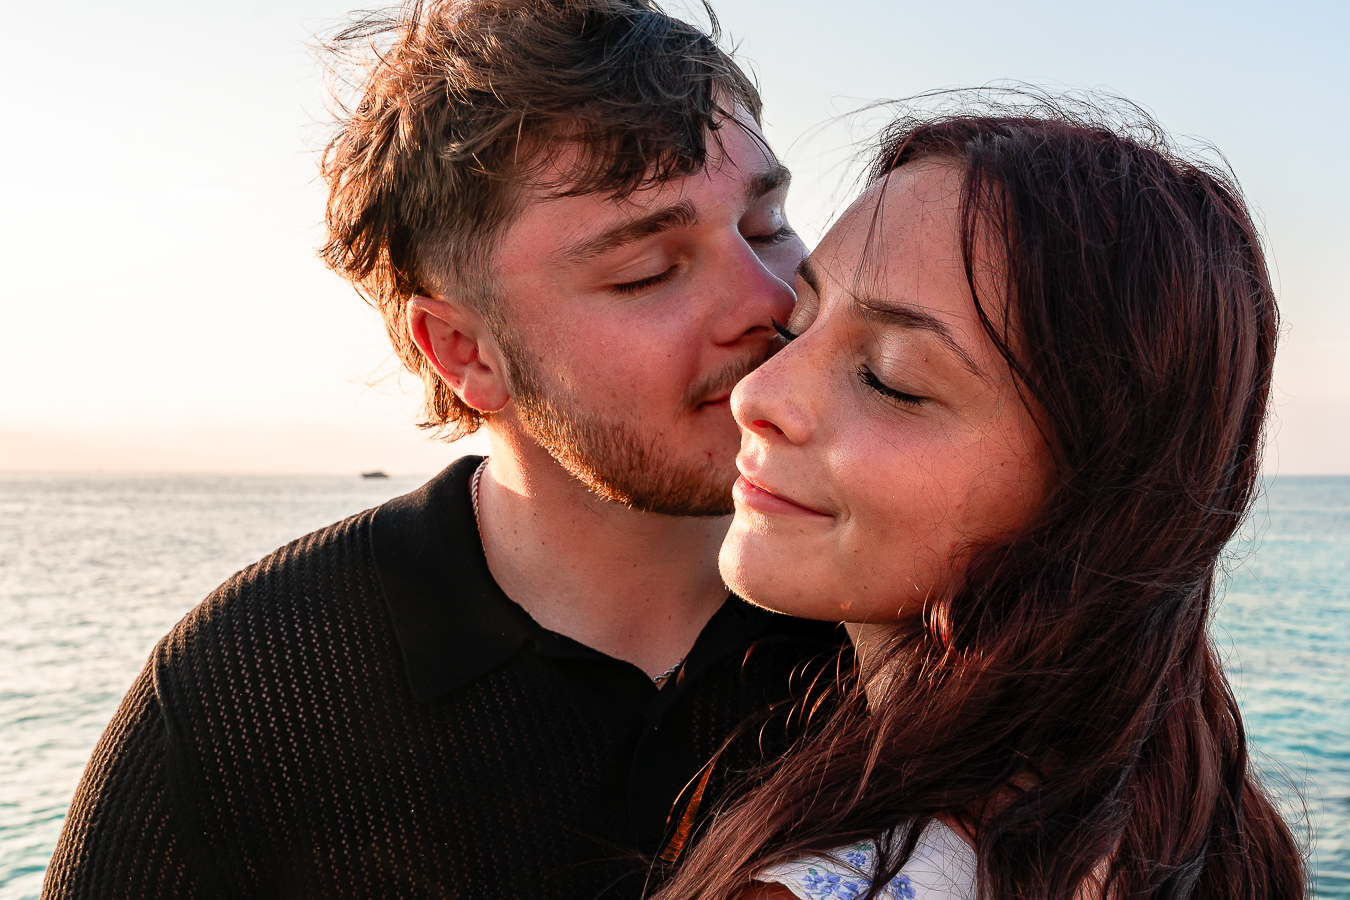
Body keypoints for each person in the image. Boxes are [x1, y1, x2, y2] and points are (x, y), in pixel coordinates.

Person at [42, 1, 842, 897]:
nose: (771, 299)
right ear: (464, 351)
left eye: (767, 225)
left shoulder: (920, 624)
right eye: (645, 272)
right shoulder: (249, 694)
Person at [653, 102, 1307, 900]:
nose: (757, 391)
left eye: (890, 377)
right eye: (799, 321)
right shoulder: (1191, 827)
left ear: (1093, 497)